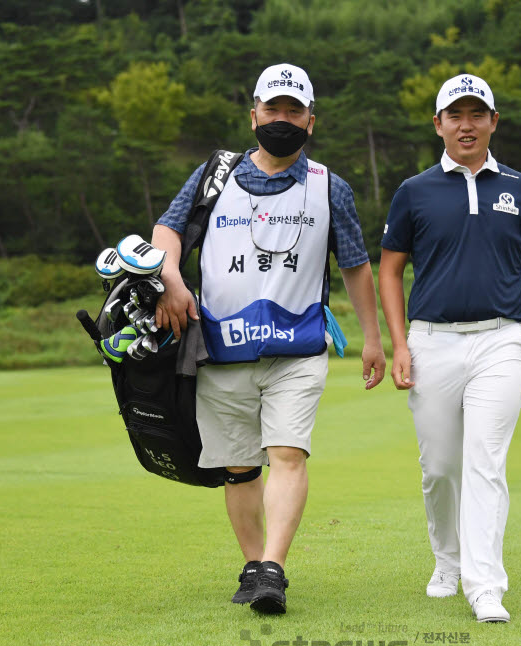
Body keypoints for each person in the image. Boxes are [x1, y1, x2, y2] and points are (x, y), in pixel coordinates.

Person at [150, 63, 386, 615]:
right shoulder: (214, 174)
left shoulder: (331, 187)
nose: (282, 119)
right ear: (253, 114)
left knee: (287, 452)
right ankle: (254, 566)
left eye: (293, 111)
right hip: (220, 348)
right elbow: (167, 229)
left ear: (311, 121)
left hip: (297, 348)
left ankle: (274, 569)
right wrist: (173, 280)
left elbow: (355, 265)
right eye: (272, 109)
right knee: (238, 467)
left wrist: (373, 338)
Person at [378, 74, 521, 623]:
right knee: (439, 466)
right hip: (431, 341)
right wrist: (398, 343)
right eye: (455, 115)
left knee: (486, 461)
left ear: (493, 122)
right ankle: (447, 561)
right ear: (438, 124)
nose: (466, 124)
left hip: (502, 340)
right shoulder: (414, 191)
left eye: (476, 114)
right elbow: (391, 271)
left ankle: (486, 586)